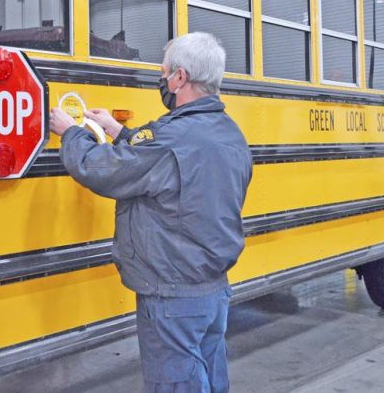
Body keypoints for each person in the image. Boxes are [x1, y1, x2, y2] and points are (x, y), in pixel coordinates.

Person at [49, 32, 252, 393]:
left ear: (180, 78)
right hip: (212, 289)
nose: (162, 79)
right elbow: (166, 166)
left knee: (177, 385)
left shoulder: (173, 139)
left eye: (164, 72)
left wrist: (71, 134)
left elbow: (100, 169)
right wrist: (118, 131)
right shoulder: (228, 132)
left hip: (172, 293)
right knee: (209, 375)